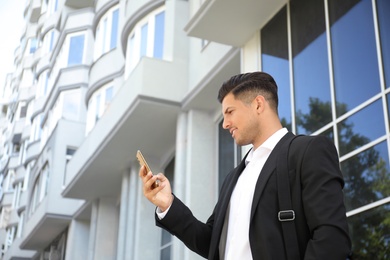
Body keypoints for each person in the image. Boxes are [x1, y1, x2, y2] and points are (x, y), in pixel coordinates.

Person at [139, 71, 352, 259]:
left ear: (258, 104)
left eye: (230, 112)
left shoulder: (307, 152)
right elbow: (211, 243)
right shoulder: (233, 178)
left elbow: (331, 237)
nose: (225, 123)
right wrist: (168, 205)